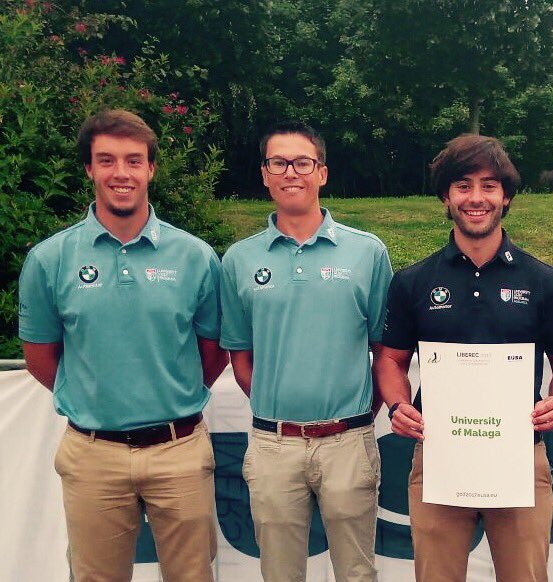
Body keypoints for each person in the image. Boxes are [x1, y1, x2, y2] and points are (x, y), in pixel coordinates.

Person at [18, 109, 226, 581]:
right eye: (106, 160)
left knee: (192, 575)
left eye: (134, 160)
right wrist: (97, 399)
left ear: (151, 169)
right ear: (89, 169)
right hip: (93, 453)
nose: (121, 173)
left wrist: (168, 394)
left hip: (179, 450)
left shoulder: (195, 257)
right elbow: (41, 358)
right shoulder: (50, 259)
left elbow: (211, 355)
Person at [373, 134, 553, 582]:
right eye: (463, 185)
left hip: (520, 457)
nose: (476, 198)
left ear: (505, 196)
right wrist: (397, 405)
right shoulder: (413, 282)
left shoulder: (543, 281)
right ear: (445, 197)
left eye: (489, 186)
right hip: (440, 457)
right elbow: (390, 360)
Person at [219, 121, 392, 581]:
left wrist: (359, 418)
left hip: (348, 441)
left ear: (322, 173)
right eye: (279, 163)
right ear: (265, 174)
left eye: (302, 162)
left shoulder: (367, 252)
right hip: (274, 444)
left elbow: (384, 350)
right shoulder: (239, 259)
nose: (290, 172)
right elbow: (240, 356)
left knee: (356, 573)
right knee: (279, 573)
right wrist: (279, 408)